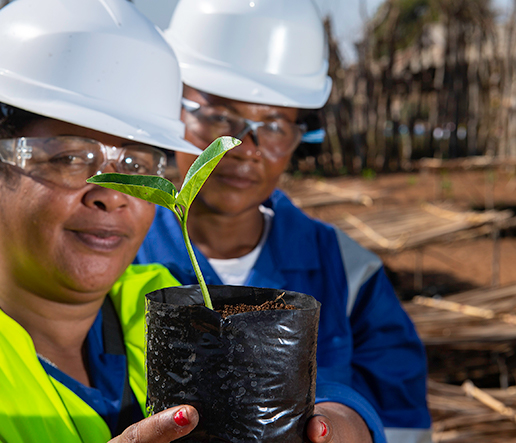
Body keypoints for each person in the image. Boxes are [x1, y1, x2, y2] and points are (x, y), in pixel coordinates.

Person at [0, 1, 359, 442]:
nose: (111, 195)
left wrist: (338, 416)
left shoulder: (158, 298)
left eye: (137, 167)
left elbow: (291, 382)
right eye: (72, 157)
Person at [135, 1, 432, 443]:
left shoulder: (348, 271)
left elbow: (403, 417)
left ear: (298, 135)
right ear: (171, 112)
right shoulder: (116, 257)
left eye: (274, 125)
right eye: (218, 117)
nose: (244, 147)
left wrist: (350, 425)